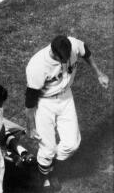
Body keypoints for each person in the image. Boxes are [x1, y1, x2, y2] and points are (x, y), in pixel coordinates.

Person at [25, 35, 109, 192]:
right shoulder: (37, 66)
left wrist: (99, 73)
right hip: (44, 103)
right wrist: (30, 126)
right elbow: (30, 101)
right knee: (47, 148)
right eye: (61, 59)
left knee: (72, 144)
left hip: (65, 97)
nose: (65, 61)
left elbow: (86, 52)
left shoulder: (74, 44)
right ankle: (44, 178)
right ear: (53, 51)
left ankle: (50, 169)